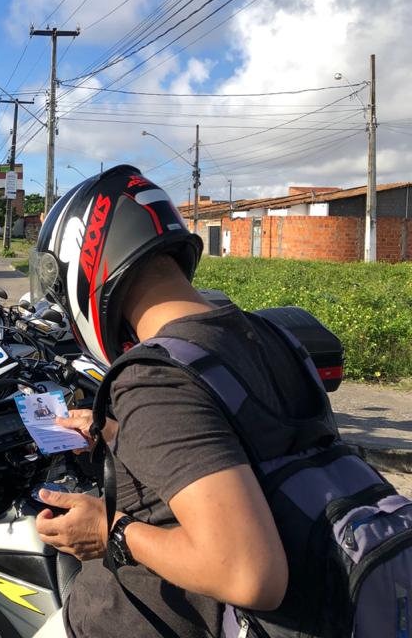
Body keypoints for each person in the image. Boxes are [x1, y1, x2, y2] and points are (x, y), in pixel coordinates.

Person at [28, 165, 314, 638]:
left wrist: (110, 531)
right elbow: (242, 446)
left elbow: (251, 573)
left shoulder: (154, 374)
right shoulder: (270, 334)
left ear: (88, 262)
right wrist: (116, 433)